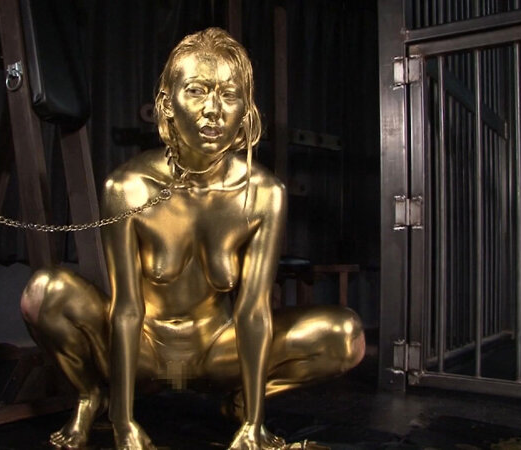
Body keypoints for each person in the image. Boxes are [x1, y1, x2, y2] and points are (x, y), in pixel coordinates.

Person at [20, 27, 365, 450]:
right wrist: (124, 422)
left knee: (345, 336)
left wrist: (256, 424)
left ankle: (243, 406)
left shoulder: (263, 193)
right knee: (44, 293)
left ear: (246, 109)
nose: (213, 111)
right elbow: (126, 308)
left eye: (230, 95)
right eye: (197, 91)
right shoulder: (128, 187)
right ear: (167, 103)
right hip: (145, 349)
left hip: (216, 351)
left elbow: (254, 310)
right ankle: (94, 397)